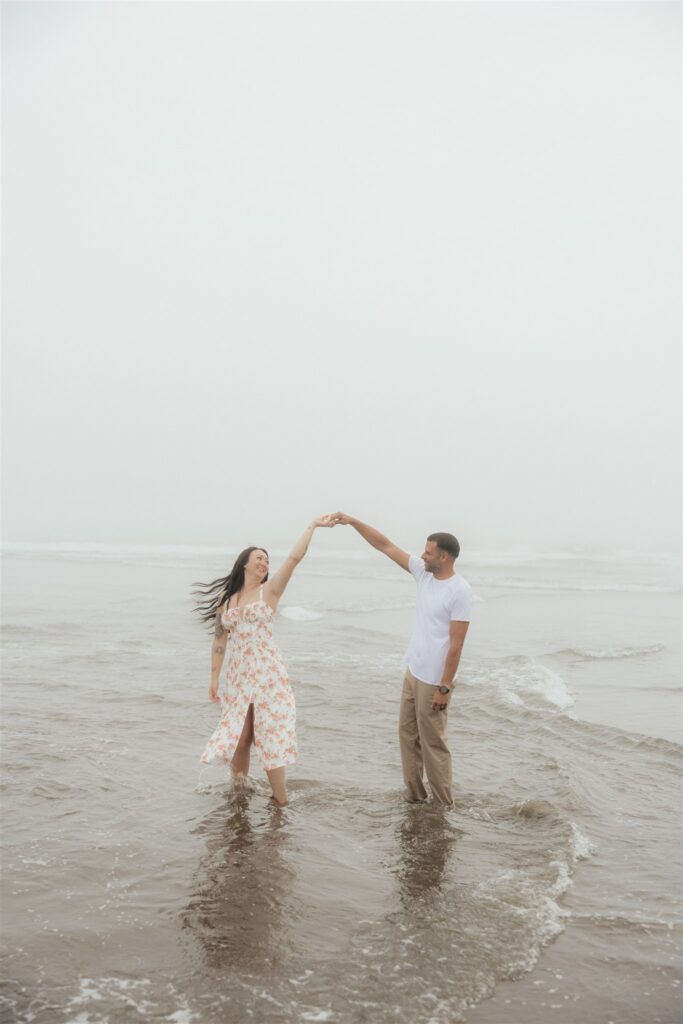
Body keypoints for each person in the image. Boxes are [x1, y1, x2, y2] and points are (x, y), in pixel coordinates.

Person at [330, 513, 472, 807]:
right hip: (413, 671)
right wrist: (353, 522)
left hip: (435, 679)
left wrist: (445, 687)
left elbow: (456, 645)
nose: (423, 556)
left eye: (428, 552)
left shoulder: (460, 591)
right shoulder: (423, 573)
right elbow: (384, 545)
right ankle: (415, 798)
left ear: (444, 557)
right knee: (407, 737)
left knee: (433, 745)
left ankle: (443, 805)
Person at [194, 516, 334, 805]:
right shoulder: (227, 598)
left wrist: (313, 526)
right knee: (241, 737)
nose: (265, 563)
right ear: (244, 563)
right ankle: (239, 792)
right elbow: (220, 639)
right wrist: (214, 678)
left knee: (268, 735)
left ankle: (281, 801)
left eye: (267, 561)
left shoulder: (268, 592)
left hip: (267, 672)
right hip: (238, 675)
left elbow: (295, 558)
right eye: (259, 558)